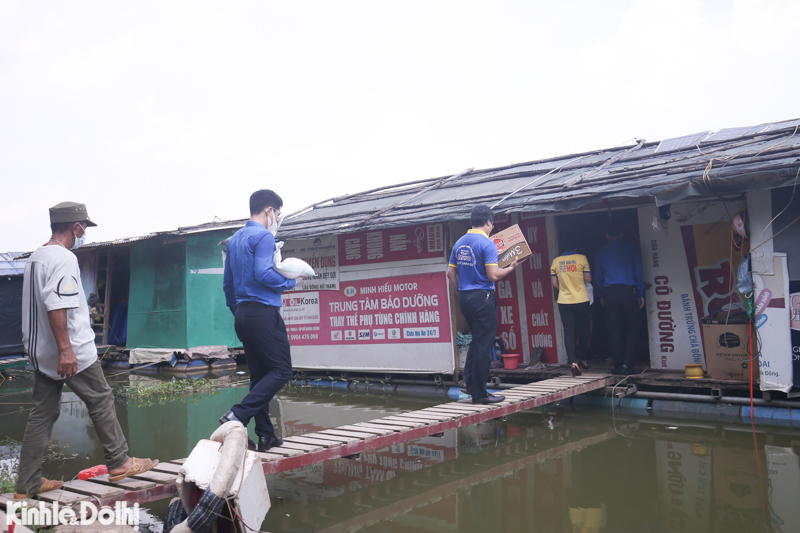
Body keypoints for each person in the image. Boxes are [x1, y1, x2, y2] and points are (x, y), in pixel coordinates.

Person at [17, 202, 158, 499]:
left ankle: (27, 482)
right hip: (69, 351)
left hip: (40, 351)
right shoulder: (64, 258)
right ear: (76, 227)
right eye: (83, 228)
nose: (83, 233)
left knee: (42, 413)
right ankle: (119, 461)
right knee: (101, 398)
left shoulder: (36, 257)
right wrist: (67, 350)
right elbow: (57, 307)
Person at [221, 189, 299, 451]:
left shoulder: (234, 240)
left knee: (260, 376)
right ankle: (238, 414)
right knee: (281, 370)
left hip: (243, 314)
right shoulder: (263, 236)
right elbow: (264, 273)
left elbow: (228, 285)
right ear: (269, 211)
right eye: (278, 213)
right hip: (263, 314)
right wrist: (290, 282)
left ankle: (266, 435)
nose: (277, 218)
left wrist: (239, 312)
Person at [447, 206, 520, 404]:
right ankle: (479, 394)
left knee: (476, 340)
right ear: (489, 222)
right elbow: (493, 275)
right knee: (484, 345)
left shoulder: (459, 243)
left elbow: (450, 274)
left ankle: (469, 383)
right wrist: (511, 267)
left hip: (465, 298)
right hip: (482, 297)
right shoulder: (487, 244)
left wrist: (460, 292)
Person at [594, 220, 645, 374]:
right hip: (629, 292)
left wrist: (602, 294)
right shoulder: (631, 250)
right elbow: (639, 273)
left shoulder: (601, 252)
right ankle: (627, 365)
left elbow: (598, 277)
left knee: (613, 330)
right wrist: (641, 293)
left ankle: (617, 364)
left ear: (606, 235)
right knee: (633, 329)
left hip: (610, 293)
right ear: (622, 234)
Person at [550, 240, 592, 377]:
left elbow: (555, 284)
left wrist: (564, 289)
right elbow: (588, 279)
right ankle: (584, 359)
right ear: (575, 246)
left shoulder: (556, 262)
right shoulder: (582, 258)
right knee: (584, 329)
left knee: (569, 332)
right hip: (581, 300)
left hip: (564, 301)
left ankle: (573, 363)